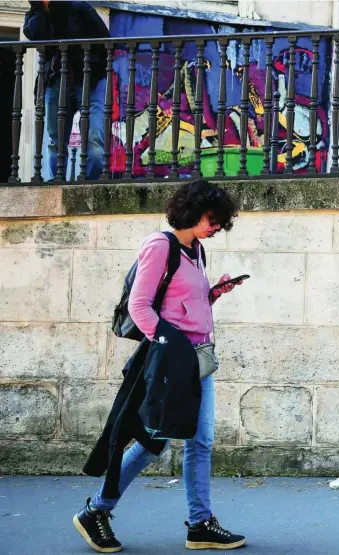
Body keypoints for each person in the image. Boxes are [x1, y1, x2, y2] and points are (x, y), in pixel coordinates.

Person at [74, 180, 247, 553]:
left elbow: (184, 307)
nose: (215, 227)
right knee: (154, 442)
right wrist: (170, 345)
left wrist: (213, 294)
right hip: (172, 360)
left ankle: (200, 524)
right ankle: (96, 511)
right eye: (211, 219)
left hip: (198, 359)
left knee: (201, 442)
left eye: (219, 222)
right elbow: (140, 307)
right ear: (191, 211)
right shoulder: (160, 245)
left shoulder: (195, 251)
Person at [23, 1, 110, 181]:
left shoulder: (79, 8)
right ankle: (57, 181)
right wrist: (41, 8)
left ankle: (92, 183)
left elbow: (105, 41)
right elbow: (36, 35)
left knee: (94, 141)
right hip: (56, 81)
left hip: (90, 81)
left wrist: (94, 69)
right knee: (56, 141)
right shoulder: (35, 15)